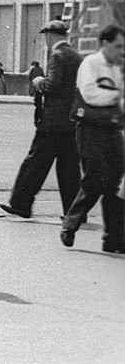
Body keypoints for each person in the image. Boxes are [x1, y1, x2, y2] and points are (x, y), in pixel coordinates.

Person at [0, 20, 82, 219]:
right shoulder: (76, 56)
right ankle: (75, 212)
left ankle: (21, 204)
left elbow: (53, 85)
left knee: (35, 163)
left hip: (52, 122)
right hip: (70, 122)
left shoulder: (57, 55)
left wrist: (39, 82)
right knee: (69, 169)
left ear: (50, 36)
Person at [60, 25, 125, 254]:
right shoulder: (90, 64)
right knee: (95, 180)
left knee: (115, 183)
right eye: (117, 46)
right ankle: (70, 224)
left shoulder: (116, 69)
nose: (120, 51)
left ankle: (115, 239)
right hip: (90, 130)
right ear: (105, 43)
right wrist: (117, 97)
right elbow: (90, 94)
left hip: (113, 130)